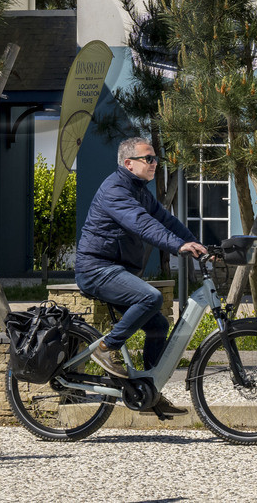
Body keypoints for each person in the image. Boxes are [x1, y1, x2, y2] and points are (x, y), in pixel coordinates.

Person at [74, 137, 207, 419]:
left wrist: (197, 245)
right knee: (151, 297)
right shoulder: (115, 190)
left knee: (158, 324)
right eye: (149, 159)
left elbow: (166, 220)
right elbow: (142, 223)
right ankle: (106, 347)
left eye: (156, 158)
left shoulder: (140, 191)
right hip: (96, 269)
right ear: (128, 163)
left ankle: (150, 388)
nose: (155, 163)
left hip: (116, 270)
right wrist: (177, 246)